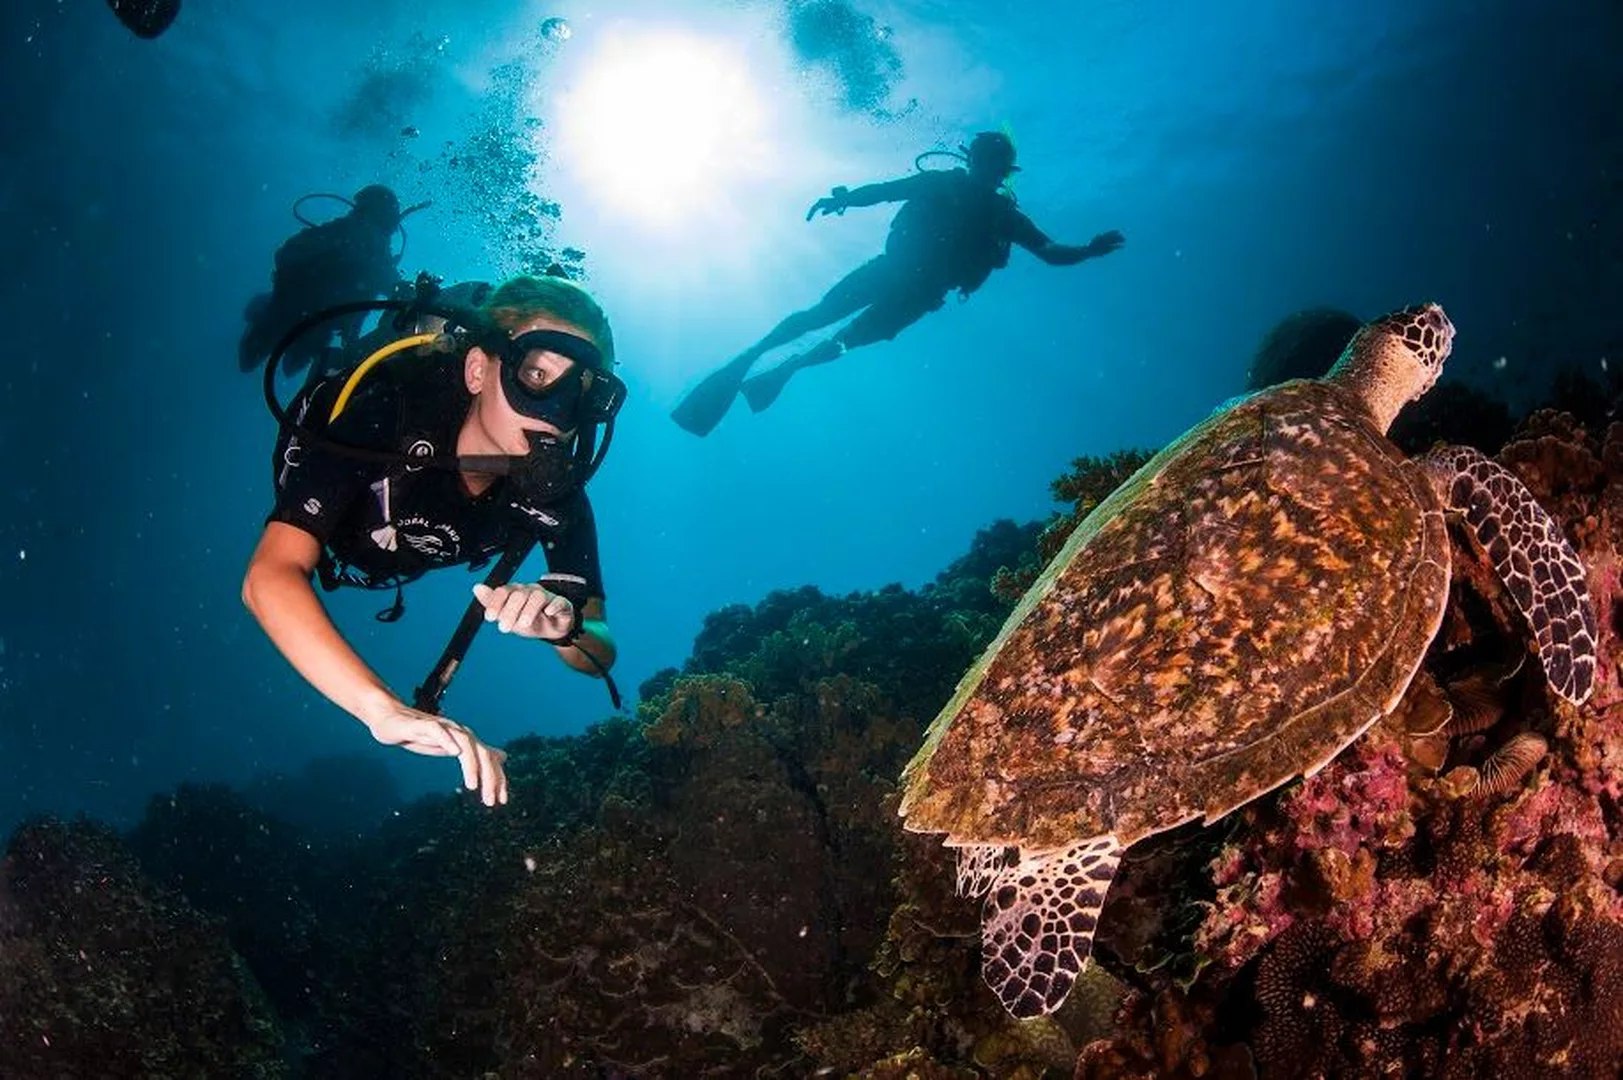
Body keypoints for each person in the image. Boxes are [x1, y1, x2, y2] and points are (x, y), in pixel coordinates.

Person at [242, 274, 624, 807]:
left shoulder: (557, 499)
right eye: (536, 373)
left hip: (395, 551)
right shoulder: (386, 416)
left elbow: (598, 646)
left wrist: (565, 626)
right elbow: (269, 576)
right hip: (344, 512)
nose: (556, 414)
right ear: (477, 370)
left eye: (579, 391)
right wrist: (382, 710)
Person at [671, 132, 1125, 436]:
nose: (988, 167)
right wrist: (846, 199)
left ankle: (787, 367)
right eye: (985, 159)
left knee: (844, 339)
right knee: (820, 318)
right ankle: (746, 363)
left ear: (1003, 171)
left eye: (996, 163)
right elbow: (887, 190)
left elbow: (1048, 251)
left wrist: (1087, 250)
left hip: (918, 294)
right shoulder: (943, 184)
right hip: (894, 272)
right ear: (973, 160)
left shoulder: (1004, 215)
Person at [239, 185, 407, 378]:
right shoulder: (345, 234)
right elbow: (287, 254)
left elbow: (393, 288)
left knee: (291, 366)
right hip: (291, 309)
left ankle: (269, 311)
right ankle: (264, 308)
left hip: (316, 324)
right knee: (253, 359)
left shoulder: (375, 255)